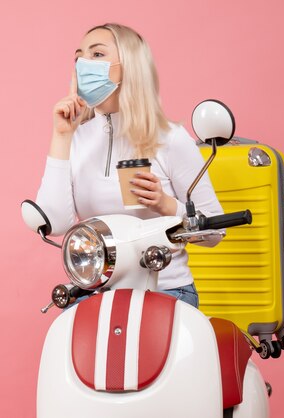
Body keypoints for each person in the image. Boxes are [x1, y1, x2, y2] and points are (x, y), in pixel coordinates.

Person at [35, 23, 224, 308]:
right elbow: (57, 224)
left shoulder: (169, 137)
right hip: (94, 292)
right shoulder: (77, 138)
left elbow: (215, 233)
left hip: (165, 291)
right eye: (79, 58)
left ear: (129, 66)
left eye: (97, 55)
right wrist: (62, 136)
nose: (84, 64)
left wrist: (166, 205)